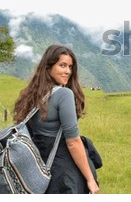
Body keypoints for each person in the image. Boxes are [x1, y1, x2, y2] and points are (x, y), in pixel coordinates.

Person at [13, 44, 100, 194]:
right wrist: (90, 179)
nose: (68, 71)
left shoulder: (32, 93)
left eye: (70, 67)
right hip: (61, 168)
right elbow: (72, 142)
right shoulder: (64, 94)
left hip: (37, 165)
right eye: (62, 65)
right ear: (48, 67)